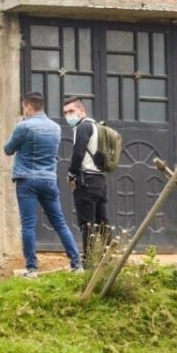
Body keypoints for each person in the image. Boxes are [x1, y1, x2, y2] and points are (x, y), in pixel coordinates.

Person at [3, 92, 83, 278]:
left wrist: (20, 126)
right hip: (48, 179)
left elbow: (8, 149)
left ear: (29, 107)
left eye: (25, 108)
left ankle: (31, 268)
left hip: (27, 180)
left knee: (28, 224)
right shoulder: (55, 128)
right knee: (60, 222)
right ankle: (76, 263)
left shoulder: (24, 126)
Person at [63, 96, 108, 264]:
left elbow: (78, 153)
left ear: (82, 110)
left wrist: (72, 174)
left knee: (87, 223)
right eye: (66, 113)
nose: (68, 115)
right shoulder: (96, 126)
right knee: (102, 221)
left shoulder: (83, 127)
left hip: (87, 180)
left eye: (71, 111)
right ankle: (106, 258)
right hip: (99, 181)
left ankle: (89, 261)